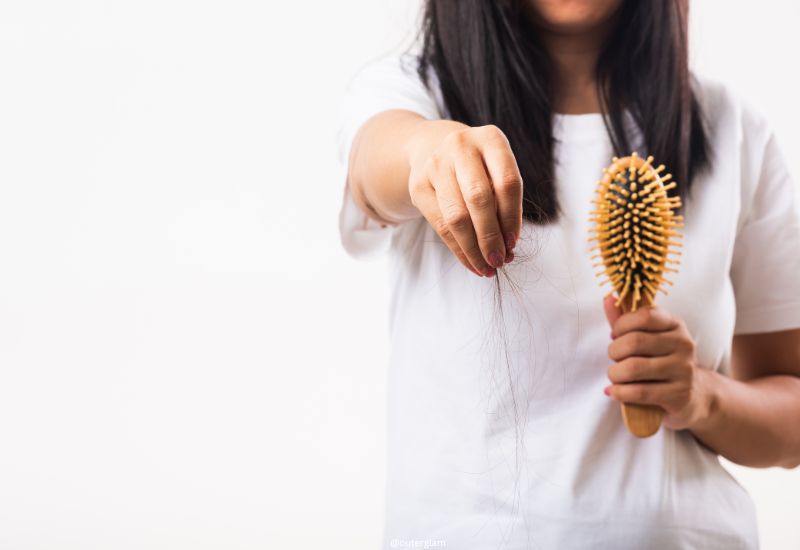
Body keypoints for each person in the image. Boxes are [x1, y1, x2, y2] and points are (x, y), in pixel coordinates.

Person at [335, 1, 800, 548]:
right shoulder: (411, 94)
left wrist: (701, 395)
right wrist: (429, 150)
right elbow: (376, 163)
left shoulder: (732, 127)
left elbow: (790, 418)